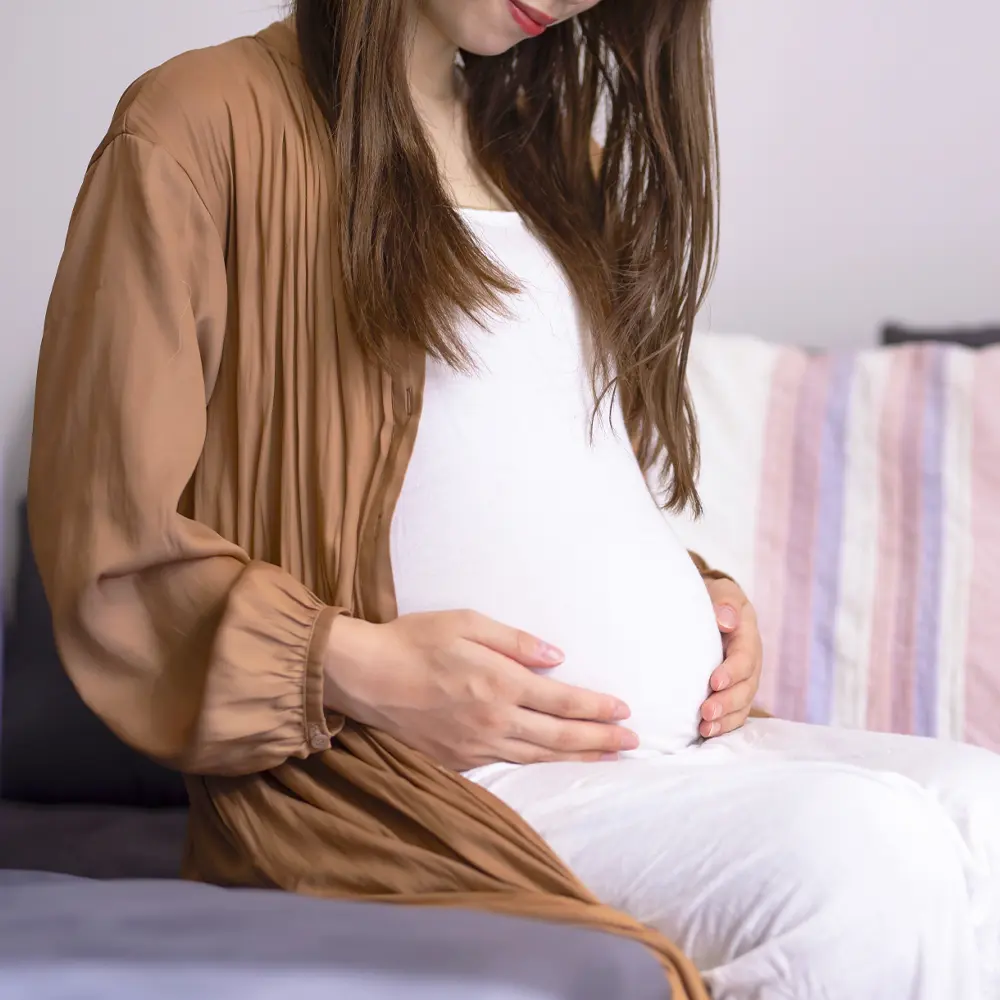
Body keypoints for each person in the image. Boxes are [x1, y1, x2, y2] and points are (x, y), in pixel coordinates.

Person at [28, 2, 999, 997]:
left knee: (982, 806)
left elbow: (537, 468)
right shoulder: (200, 120)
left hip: (659, 750)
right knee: (867, 858)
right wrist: (346, 663)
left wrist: (698, 603)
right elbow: (107, 542)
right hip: (416, 783)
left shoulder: (547, 148)